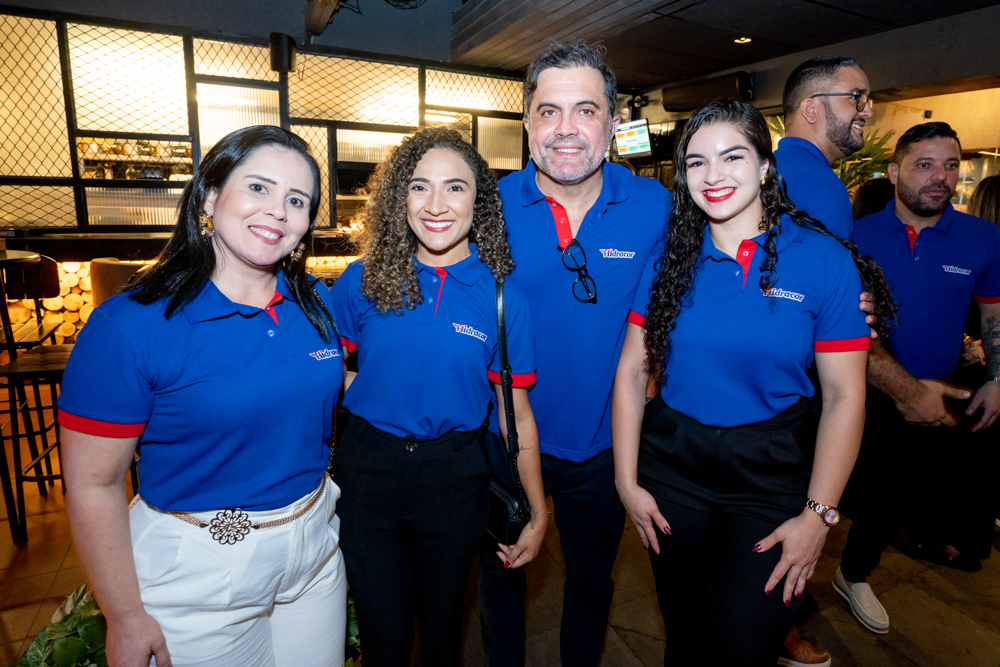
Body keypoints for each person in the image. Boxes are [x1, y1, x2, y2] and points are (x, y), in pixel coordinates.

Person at [612, 98, 896, 667]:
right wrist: (626, 482)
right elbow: (632, 372)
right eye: (695, 162)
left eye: (732, 156)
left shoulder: (821, 261)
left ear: (767, 166)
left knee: (746, 644)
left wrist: (819, 517)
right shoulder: (670, 259)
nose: (713, 175)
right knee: (686, 639)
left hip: (772, 473)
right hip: (675, 468)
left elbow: (845, 396)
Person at [60, 126, 346, 667]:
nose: (278, 212)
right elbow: (93, 483)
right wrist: (123, 616)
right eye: (258, 188)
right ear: (211, 195)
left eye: (296, 200)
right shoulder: (129, 325)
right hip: (200, 568)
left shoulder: (314, 307)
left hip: (315, 553)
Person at [476, 42, 673, 667]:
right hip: (501, 439)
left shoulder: (655, 206)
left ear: (613, 125)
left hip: (604, 445)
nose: (566, 129)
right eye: (549, 111)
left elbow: (722, 263)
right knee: (502, 582)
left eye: (585, 111)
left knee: (592, 583)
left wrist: (842, 290)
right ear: (528, 123)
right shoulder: (485, 208)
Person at [329, 127, 546, 667]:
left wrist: (538, 510)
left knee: (444, 633)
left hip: (454, 478)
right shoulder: (362, 280)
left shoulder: (502, 298)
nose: (435, 205)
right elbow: (320, 369)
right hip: (368, 470)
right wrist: (367, 392)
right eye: (419, 187)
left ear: (480, 200)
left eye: (455, 187)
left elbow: (514, 413)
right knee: (384, 636)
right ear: (399, 197)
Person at [837, 122, 1000, 633]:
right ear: (894, 172)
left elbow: (993, 313)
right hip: (864, 389)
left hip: (941, 390)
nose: (941, 178)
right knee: (837, 492)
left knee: (894, 493)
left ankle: (853, 573)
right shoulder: (855, 235)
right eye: (924, 165)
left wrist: (998, 376)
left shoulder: (982, 236)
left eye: (950, 165)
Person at [775, 55, 874, 240]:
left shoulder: (769, 168)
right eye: (856, 97)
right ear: (810, 109)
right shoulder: (819, 183)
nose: (868, 111)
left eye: (867, 99)